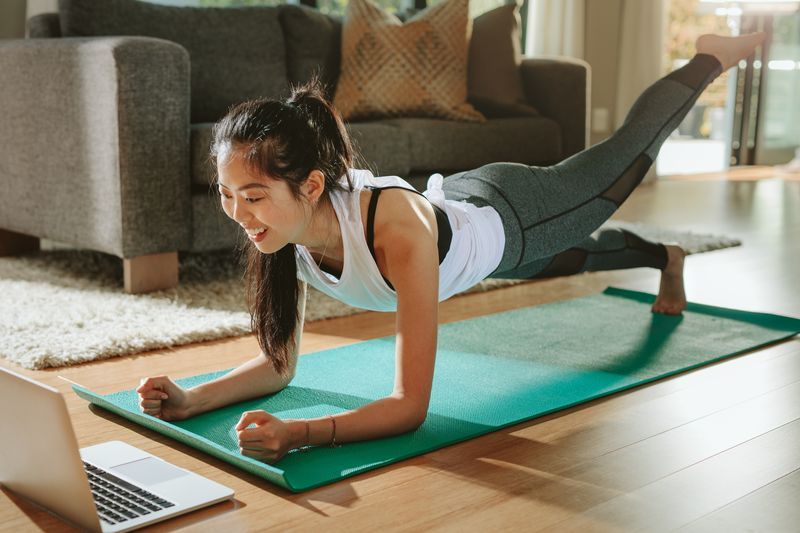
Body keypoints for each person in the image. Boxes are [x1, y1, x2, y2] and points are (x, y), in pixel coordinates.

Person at [137, 33, 766, 463]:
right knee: (579, 257)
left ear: (310, 185)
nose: (237, 214)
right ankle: (666, 259)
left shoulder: (393, 228)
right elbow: (280, 365)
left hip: (515, 212)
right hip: (476, 228)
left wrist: (301, 434)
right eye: (225, 194)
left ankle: (708, 58)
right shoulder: (280, 228)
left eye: (251, 195)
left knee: (623, 163)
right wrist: (193, 398)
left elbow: (409, 406)